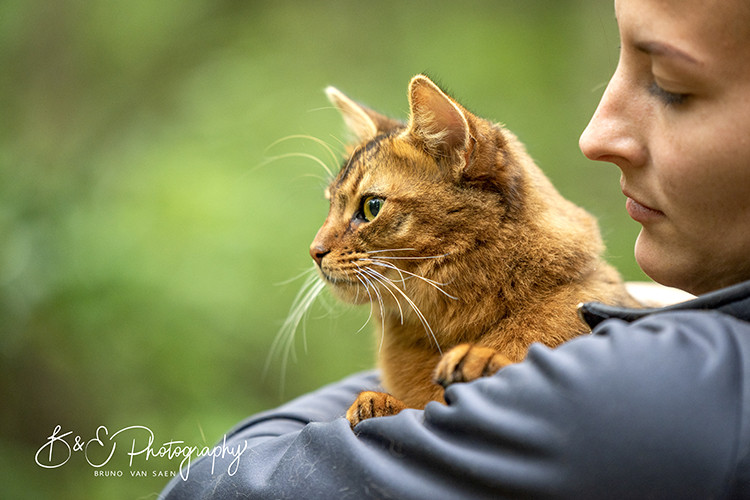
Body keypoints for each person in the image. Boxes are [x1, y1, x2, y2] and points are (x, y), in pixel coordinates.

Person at [160, 0, 750, 497]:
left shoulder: (673, 386)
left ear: (469, 169)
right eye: (336, 210)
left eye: (671, 85)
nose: (320, 245)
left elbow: (210, 486)